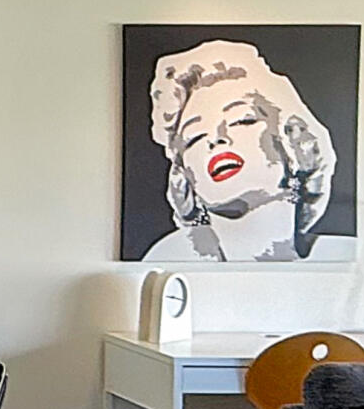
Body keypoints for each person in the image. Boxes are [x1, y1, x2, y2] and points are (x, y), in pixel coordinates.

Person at [141, 40, 339, 262]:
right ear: (184, 175)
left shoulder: (340, 254)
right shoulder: (167, 258)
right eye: (194, 137)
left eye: (241, 120)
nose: (216, 139)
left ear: (292, 143)